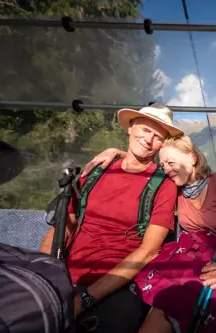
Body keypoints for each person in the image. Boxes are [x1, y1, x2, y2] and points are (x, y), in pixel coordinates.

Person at [83, 135, 216, 333]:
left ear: (192, 158)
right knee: (167, 305)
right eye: (163, 165)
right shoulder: (172, 187)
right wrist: (117, 152)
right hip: (190, 255)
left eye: (170, 162)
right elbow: (143, 167)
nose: (166, 169)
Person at [39, 103, 184, 333]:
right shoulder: (97, 170)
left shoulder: (163, 185)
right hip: (67, 276)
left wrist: (85, 299)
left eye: (157, 137)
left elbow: (148, 251)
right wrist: (39, 274)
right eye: (146, 130)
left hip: (119, 286)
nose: (148, 139)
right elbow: (63, 227)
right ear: (131, 127)